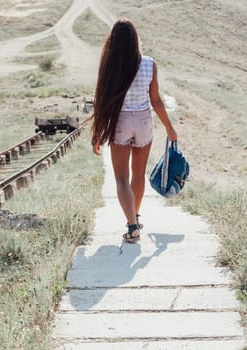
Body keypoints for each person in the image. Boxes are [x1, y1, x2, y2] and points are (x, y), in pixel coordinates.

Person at [90, 19, 177, 243]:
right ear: (135, 40)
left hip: (121, 123)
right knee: (138, 174)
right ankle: (135, 218)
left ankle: (132, 225)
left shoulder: (110, 65)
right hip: (144, 123)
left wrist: (98, 133)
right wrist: (169, 126)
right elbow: (156, 100)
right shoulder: (149, 64)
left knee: (121, 179)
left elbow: (102, 100)